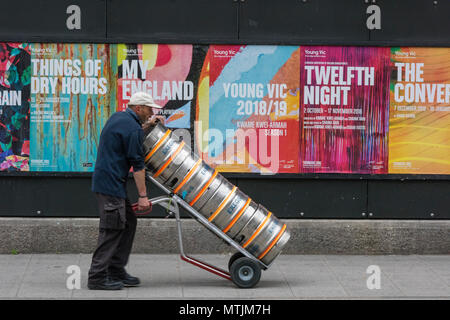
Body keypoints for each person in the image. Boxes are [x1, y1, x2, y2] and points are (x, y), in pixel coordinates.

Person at [88, 92, 165, 290]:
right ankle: (96, 277)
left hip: (109, 182)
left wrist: (148, 125)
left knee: (128, 222)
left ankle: (115, 270)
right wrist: (143, 196)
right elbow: (138, 165)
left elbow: (132, 131)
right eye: (149, 109)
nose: (152, 112)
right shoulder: (132, 129)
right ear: (138, 108)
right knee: (112, 229)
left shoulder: (119, 117)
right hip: (110, 185)